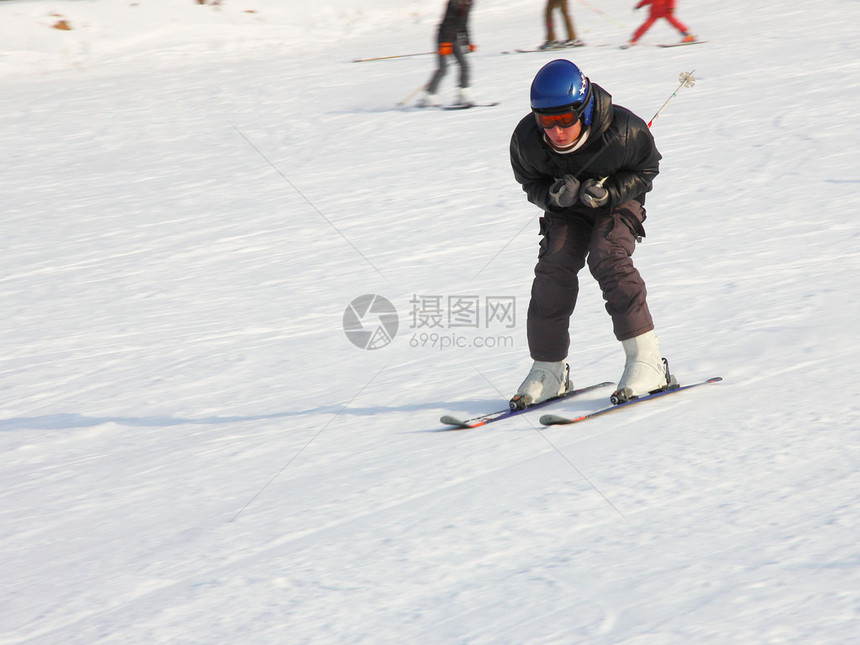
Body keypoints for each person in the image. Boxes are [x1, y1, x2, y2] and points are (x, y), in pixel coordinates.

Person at [508, 59, 673, 409]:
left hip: (618, 203)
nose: (556, 131)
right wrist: (552, 195)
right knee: (553, 267)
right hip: (567, 210)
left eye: (565, 119)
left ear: (583, 110)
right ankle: (549, 370)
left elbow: (647, 168)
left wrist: (612, 193)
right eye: (546, 121)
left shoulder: (624, 129)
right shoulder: (526, 140)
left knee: (607, 255)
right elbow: (530, 182)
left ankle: (647, 361)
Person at [416, 0, 475, 108]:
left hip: (454, 38)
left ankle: (463, 95)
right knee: (443, 69)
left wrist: (467, 42)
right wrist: (445, 44)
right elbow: (448, 23)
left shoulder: (469, 3)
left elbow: (464, 23)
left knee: (464, 65)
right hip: (443, 37)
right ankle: (430, 95)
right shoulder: (454, 3)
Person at [628, 0, 695, 46]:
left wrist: (671, 8)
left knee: (675, 23)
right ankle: (634, 39)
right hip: (654, 13)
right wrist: (638, 6)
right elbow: (646, 0)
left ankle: (688, 36)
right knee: (646, 25)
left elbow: (671, 1)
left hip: (666, 12)